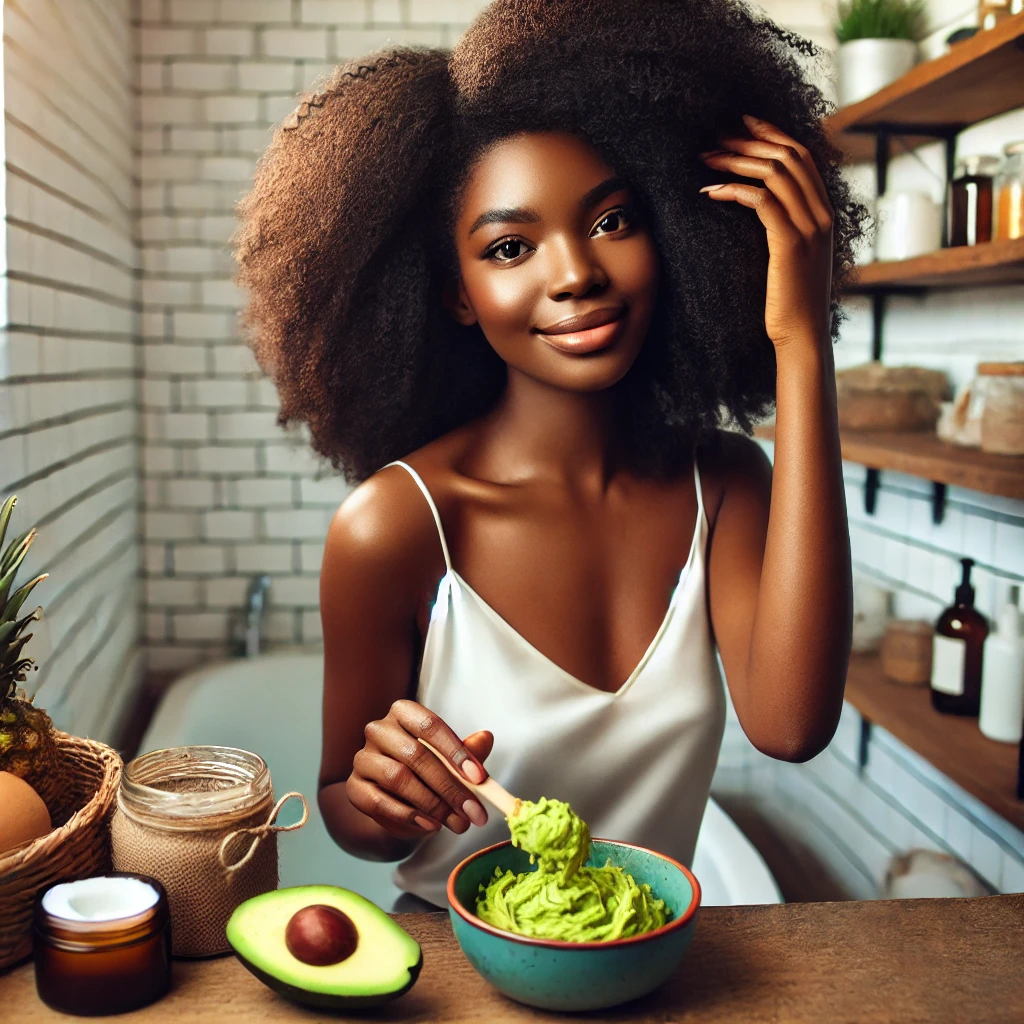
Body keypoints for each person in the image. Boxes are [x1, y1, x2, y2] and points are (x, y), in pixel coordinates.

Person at [234, 0, 867, 911]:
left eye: (612, 221)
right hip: (459, 963)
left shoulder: (722, 486)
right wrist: (384, 793)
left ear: (677, 233)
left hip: (651, 959)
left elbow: (791, 726)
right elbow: (349, 814)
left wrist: (800, 340)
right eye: (510, 247)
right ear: (456, 293)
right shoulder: (396, 524)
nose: (575, 273)